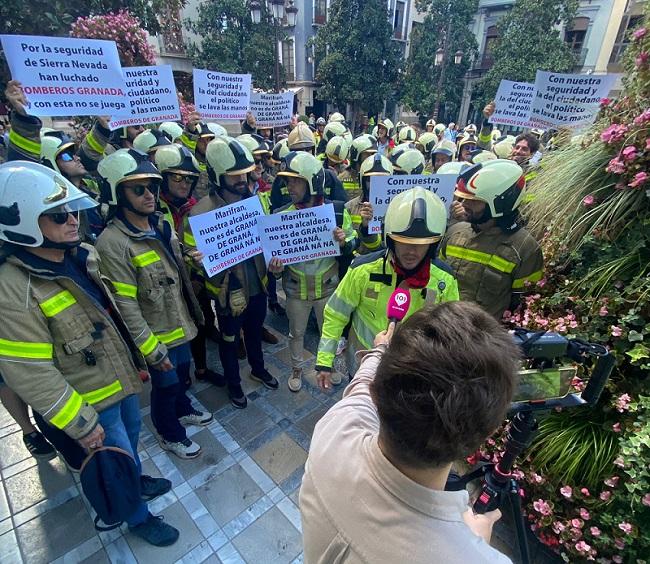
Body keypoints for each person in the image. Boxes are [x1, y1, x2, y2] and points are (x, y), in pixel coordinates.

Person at [0, 161, 178, 545]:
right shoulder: (14, 289)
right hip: (90, 400)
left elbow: (116, 314)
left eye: (73, 211)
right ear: (23, 224)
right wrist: (80, 423)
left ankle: (134, 479)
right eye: (59, 215)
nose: (73, 221)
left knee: (129, 438)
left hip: (119, 379)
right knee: (112, 460)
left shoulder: (79, 256)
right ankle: (138, 517)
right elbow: (28, 371)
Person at [301, 301, 518, 564]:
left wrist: (380, 350)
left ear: (376, 395)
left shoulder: (335, 429)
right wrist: (476, 545)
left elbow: (361, 385)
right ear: (488, 432)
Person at [95, 149, 212, 459]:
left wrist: (193, 261)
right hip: (156, 333)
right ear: (117, 193)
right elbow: (126, 306)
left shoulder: (160, 224)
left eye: (152, 187)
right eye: (138, 189)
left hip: (179, 322)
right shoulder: (112, 244)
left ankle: (183, 409)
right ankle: (169, 433)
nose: (150, 195)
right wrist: (151, 349)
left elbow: (176, 274)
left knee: (182, 376)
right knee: (166, 385)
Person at [315, 188, 459, 389]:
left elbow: (450, 334)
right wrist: (324, 361)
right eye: (403, 241)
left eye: (421, 244)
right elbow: (335, 315)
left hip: (411, 373)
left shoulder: (445, 280)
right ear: (390, 238)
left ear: (434, 244)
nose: (411, 251)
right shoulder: (362, 270)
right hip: (362, 367)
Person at [185, 136, 279, 408]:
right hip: (228, 296)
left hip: (258, 287)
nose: (242, 180)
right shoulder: (200, 214)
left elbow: (267, 237)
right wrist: (197, 260)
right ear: (216, 175)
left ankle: (258, 369)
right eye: (234, 175)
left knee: (254, 333)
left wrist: (275, 260)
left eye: (244, 174)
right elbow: (193, 259)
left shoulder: (255, 201)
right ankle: (234, 386)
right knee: (228, 342)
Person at [268, 151, 357, 392]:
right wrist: (275, 270)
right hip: (296, 291)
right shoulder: (281, 217)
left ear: (313, 182)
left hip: (328, 288)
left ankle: (330, 367)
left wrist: (344, 241)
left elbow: (353, 240)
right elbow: (275, 263)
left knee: (328, 332)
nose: (290, 186)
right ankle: (296, 368)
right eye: (287, 181)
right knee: (295, 333)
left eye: (296, 181)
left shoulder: (336, 212)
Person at [154, 143, 225, 385]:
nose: (184, 184)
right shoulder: (151, 210)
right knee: (177, 335)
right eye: (177, 177)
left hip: (196, 279)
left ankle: (202, 369)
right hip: (166, 286)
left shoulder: (193, 206)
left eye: (189, 179)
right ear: (162, 177)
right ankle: (179, 380)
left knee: (202, 318)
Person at [439, 159, 543, 319]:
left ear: (501, 203)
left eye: (474, 201)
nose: (464, 204)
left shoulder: (525, 248)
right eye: (464, 198)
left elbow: (523, 307)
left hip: (484, 339)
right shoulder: (455, 232)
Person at [338, 133, 377, 200]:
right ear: (356, 155)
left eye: (373, 154)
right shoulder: (341, 179)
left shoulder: (377, 179)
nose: (371, 158)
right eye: (368, 154)